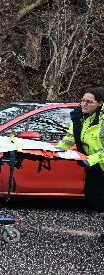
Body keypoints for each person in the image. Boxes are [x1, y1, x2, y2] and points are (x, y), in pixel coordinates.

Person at [58, 87, 104, 246]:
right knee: (92, 193)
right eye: (82, 100)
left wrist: (90, 159)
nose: (83, 104)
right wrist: (55, 151)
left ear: (99, 103)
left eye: (88, 102)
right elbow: (69, 139)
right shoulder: (79, 117)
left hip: (96, 160)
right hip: (98, 164)